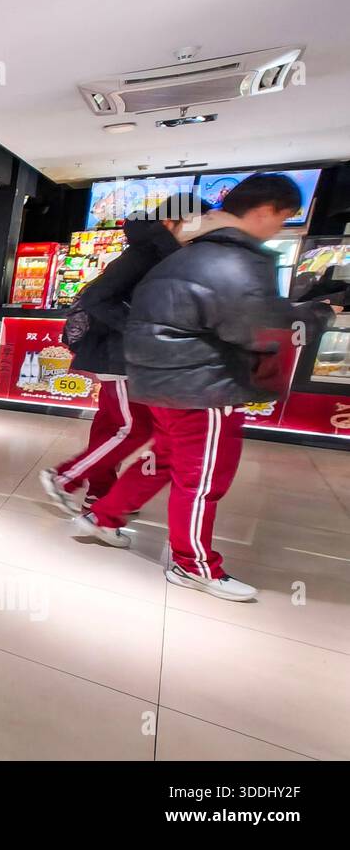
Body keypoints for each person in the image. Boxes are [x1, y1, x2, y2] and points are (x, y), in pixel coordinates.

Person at [75, 174, 337, 601]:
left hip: (159, 379)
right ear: (265, 210)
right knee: (201, 478)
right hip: (203, 382)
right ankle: (191, 563)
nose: (280, 228)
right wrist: (317, 314)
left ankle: (105, 516)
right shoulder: (236, 260)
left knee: (164, 459)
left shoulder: (179, 256)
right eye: (284, 218)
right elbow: (255, 328)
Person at [40, 196, 190, 514]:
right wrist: (139, 329)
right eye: (195, 222)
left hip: (121, 355)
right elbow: (96, 297)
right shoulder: (148, 253)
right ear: (171, 222)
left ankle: (99, 494)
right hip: (121, 356)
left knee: (113, 426)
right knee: (133, 427)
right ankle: (67, 477)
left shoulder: (154, 251)